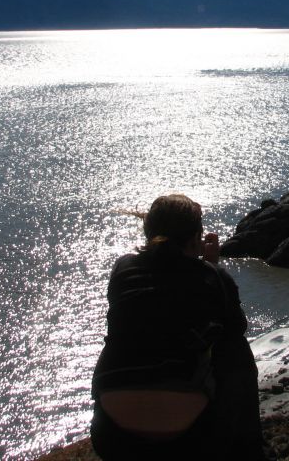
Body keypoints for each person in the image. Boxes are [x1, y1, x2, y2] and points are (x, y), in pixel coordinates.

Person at [90, 194, 265, 460]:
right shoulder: (212, 276)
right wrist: (212, 267)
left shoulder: (122, 268)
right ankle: (250, 450)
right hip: (192, 439)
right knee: (233, 348)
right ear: (196, 238)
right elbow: (236, 326)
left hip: (113, 438)